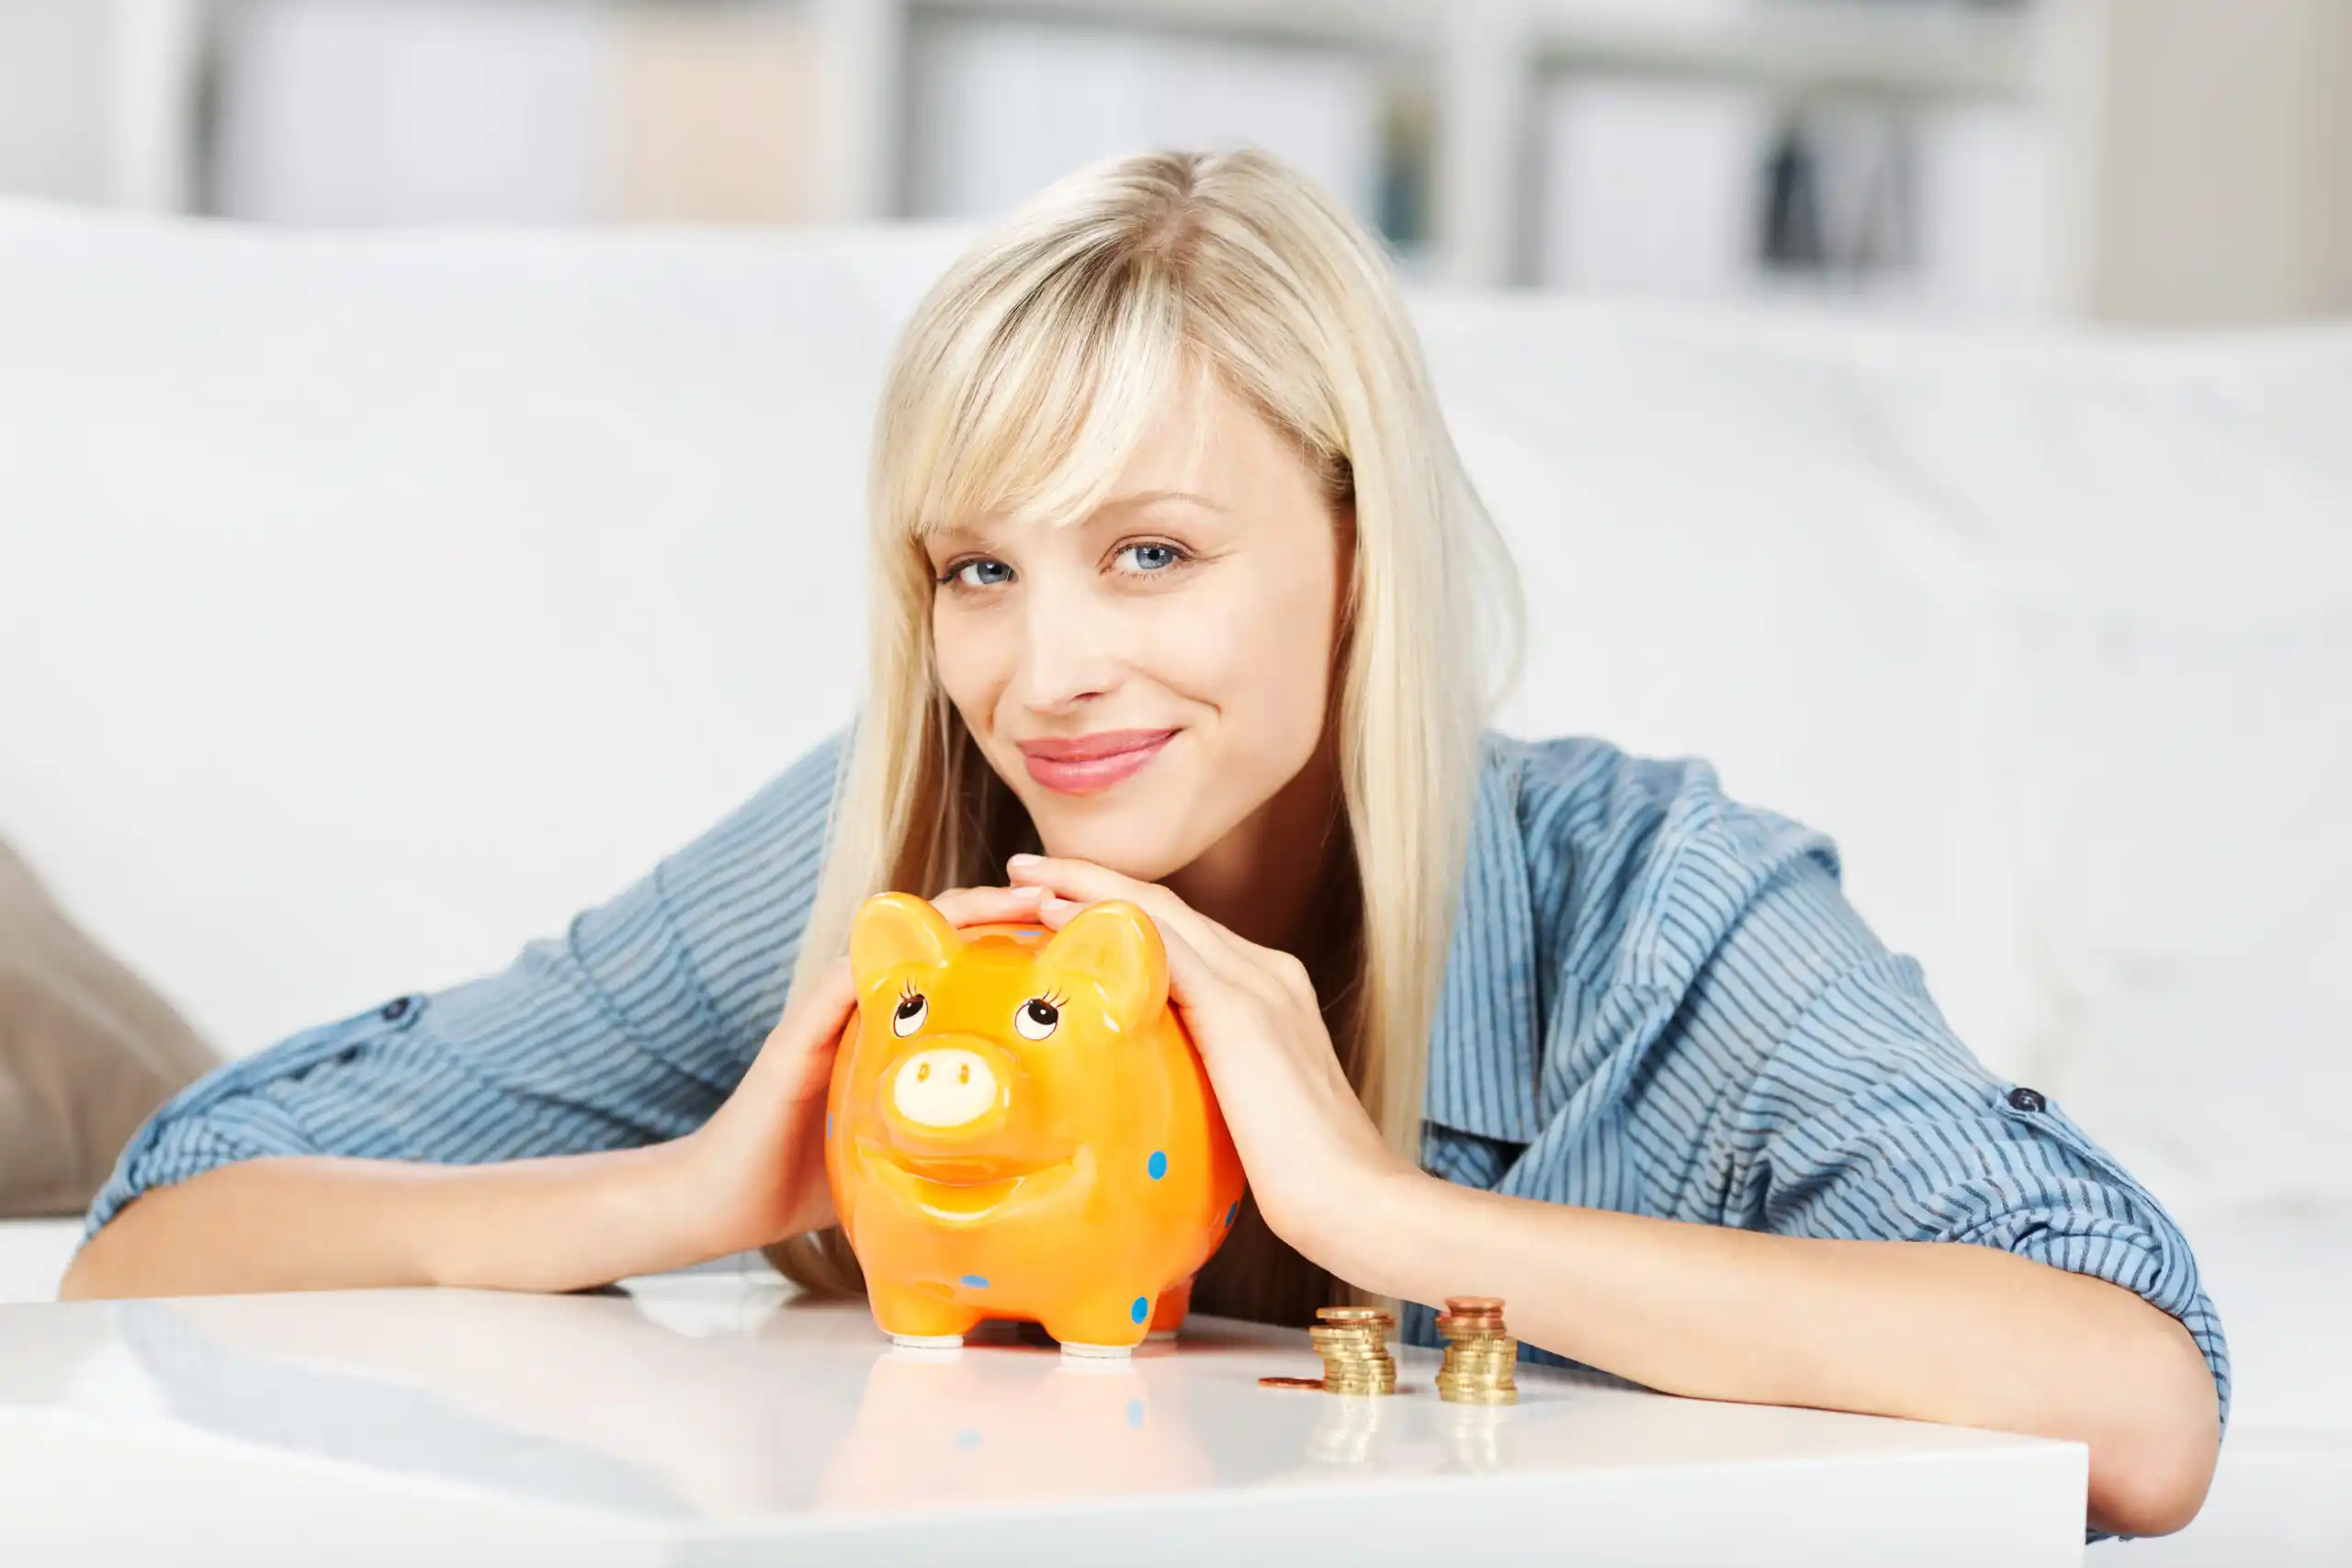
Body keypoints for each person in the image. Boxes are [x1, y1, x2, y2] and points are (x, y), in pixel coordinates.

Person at [61, 148, 2223, 1539]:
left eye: (1153, 550)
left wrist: (1376, 1209)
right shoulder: (890, 848)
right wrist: (704, 1185)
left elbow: (2129, 1399)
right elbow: (160, 1235)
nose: (1043, 674)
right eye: (974, 571)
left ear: (1355, 554)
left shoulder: (1644, 900)